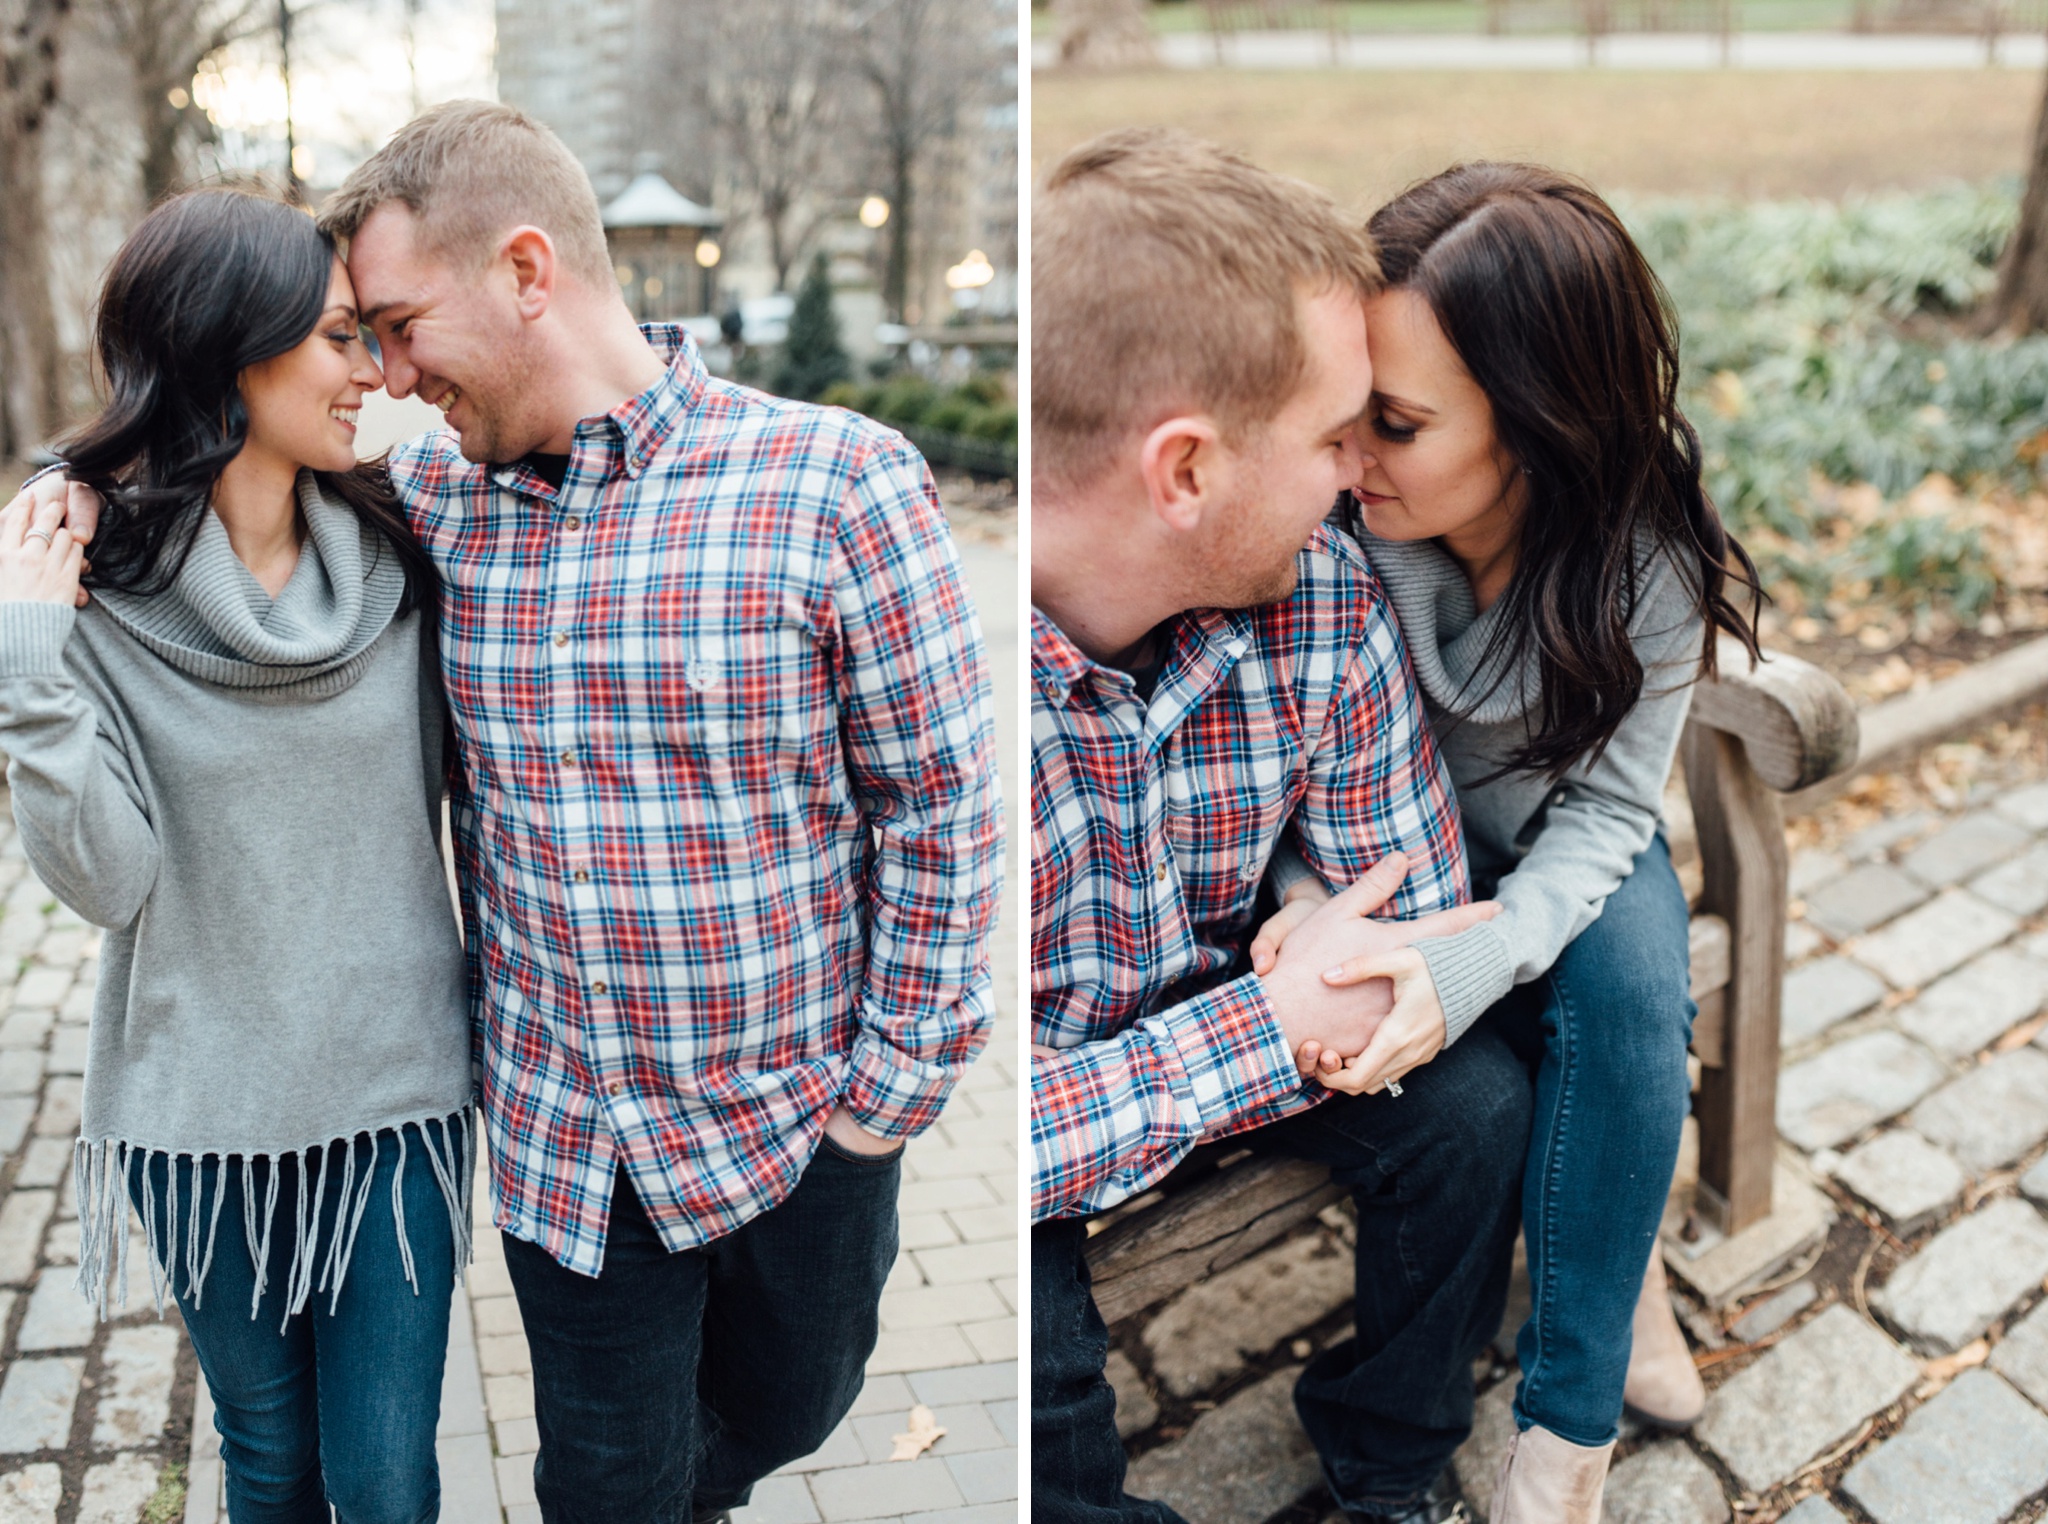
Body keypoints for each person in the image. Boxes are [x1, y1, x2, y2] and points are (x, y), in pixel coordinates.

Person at [1030, 128, 1533, 1524]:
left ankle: (1389, 1470)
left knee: (1475, 1106)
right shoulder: (935, 686)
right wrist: (1259, 1028)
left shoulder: (1318, 585)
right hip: (1052, 1110)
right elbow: (965, 1136)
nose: (1356, 481)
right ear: (1183, 470)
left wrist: (1314, 916)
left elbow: (1414, 918)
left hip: (1242, 1001)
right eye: (1330, 438)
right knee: (1020, 1371)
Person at [1252, 163, 1762, 1522]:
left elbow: (1604, 814)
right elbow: (1282, 761)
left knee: (1631, 996)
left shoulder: (1641, 554)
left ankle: (1562, 1452)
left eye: (1398, 424)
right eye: (1354, 412)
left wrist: (1493, 952)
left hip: (1566, 850)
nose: (1350, 456)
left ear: (1537, 424)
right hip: (1384, 862)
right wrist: (1312, 900)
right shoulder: (1341, 529)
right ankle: (1623, 1259)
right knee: (1533, 1054)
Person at [0, 189, 472, 1521]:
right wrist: (27, 668)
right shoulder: (93, 597)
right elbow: (108, 885)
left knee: (385, 1483)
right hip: (200, 1113)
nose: (371, 371)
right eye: (336, 337)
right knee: (270, 1466)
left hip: (394, 1100)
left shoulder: (405, 553)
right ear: (230, 352)